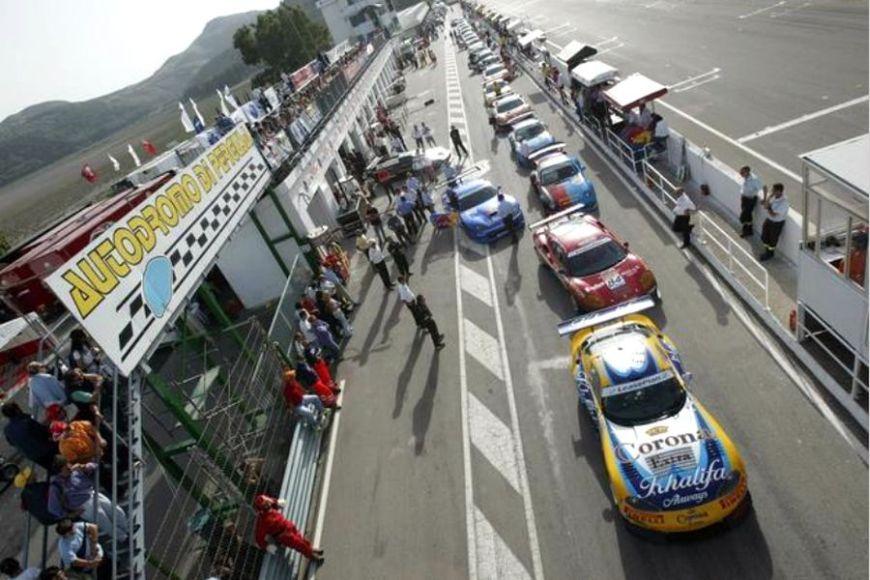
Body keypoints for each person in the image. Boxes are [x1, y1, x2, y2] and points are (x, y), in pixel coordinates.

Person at [48, 457, 129, 543]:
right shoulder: (56, 487)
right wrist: (71, 514)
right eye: (66, 469)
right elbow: (53, 508)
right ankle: (123, 538)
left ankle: (127, 529)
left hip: (93, 494)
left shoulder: (75, 470)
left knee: (116, 510)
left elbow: (95, 466)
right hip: (84, 506)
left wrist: (83, 467)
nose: (69, 468)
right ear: (60, 472)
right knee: (105, 523)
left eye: (68, 465)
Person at [254, 494, 324, 564]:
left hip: (288, 526)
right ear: (262, 507)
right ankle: (312, 556)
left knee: (300, 539)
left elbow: (274, 502)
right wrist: (267, 546)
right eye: (265, 503)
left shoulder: (270, 507)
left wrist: (276, 502)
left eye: (267, 501)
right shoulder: (262, 521)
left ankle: (310, 549)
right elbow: (259, 538)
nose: (268, 502)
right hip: (284, 535)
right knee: (299, 544)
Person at [2, 401, 58, 471]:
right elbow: (44, 433)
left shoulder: (7, 430)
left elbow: (12, 443)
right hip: (46, 449)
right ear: (17, 410)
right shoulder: (26, 421)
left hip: (32, 456)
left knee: (52, 469)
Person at [759, 183, 788, 261]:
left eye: (774, 190)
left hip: (776, 223)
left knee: (773, 239)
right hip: (769, 220)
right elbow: (766, 206)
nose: (772, 191)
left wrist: (768, 207)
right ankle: (766, 250)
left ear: (779, 191)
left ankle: (770, 253)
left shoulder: (784, 202)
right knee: (764, 236)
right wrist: (769, 198)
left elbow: (773, 214)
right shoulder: (773, 197)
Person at [738, 166, 765, 238]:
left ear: (747, 172)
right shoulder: (745, 178)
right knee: (748, 216)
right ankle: (748, 231)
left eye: (742, 172)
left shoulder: (754, 180)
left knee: (743, 218)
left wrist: (764, 198)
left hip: (750, 200)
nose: (740, 174)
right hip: (744, 198)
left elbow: (764, 187)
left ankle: (747, 230)